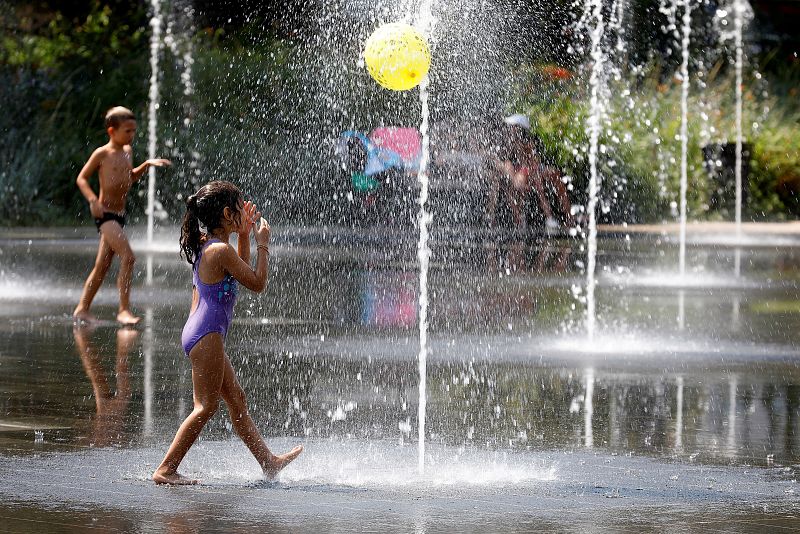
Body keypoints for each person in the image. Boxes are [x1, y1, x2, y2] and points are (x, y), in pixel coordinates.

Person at [152, 180, 303, 485]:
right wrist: (263, 243)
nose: (244, 211)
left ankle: (268, 462)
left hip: (204, 333)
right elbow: (257, 283)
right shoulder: (218, 249)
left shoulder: (212, 245)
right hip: (206, 334)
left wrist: (245, 234)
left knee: (237, 401)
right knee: (205, 407)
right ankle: (166, 469)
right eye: (239, 207)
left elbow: (241, 270)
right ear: (225, 213)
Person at [73, 106, 171, 325]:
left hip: (119, 215)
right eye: (127, 131)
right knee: (128, 257)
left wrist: (146, 165)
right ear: (111, 131)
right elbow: (81, 178)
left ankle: (82, 309)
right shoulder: (102, 153)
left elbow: (129, 177)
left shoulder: (127, 151)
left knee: (103, 266)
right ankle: (123, 310)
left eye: (134, 131)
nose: (132, 135)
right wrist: (92, 200)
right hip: (105, 214)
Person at [498, 114, 575, 231]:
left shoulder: (530, 141)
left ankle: (568, 215)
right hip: (518, 171)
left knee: (555, 174)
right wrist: (515, 173)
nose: (510, 129)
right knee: (534, 179)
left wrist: (533, 168)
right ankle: (545, 217)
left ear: (520, 128)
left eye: (513, 126)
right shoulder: (508, 142)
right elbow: (506, 162)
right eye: (510, 126)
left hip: (532, 169)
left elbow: (535, 162)